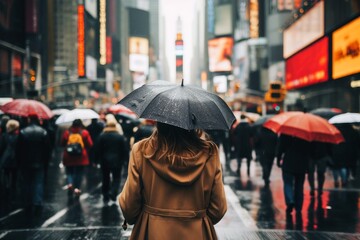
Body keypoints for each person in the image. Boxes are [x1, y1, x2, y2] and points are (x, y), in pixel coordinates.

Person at [119, 122, 227, 240]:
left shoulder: (141, 150)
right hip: (197, 232)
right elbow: (218, 209)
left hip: (151, 231)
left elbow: (129, 206)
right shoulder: (210, 153)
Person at [16, 114, 51, 214]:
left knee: (27, 182)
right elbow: (47, 149)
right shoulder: (43, 132)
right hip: (39, 162)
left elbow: (18, 150)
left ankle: (28, 202)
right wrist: (46, 161)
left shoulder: (23, 132)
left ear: (29, 120)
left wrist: (19, 162)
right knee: (38, 182)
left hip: (26, 162)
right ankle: (37, 202)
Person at [276, 134, 311, 220]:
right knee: (299, 186)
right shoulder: (305, 135)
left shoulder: (285, 133)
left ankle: (290, 200)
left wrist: (278, 159)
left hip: (288, 162)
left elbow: (280, 148)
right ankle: (298, 207)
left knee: (288, 183)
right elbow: (309, 151)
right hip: (301, 163)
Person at [95, 120, 128, 203]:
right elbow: (124, 150)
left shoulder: (102, 136)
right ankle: (113, 192)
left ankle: (105, 194)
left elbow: (98, 149)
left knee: (105, 178)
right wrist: (126, 160)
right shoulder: (120, 137)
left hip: (104, 161)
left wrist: (95, 160)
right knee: (116, 178)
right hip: (117, 161)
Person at [61, 119, 93, 197]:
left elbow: (62, 143)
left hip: (68, 156)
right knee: (79, 173)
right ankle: (77, 188)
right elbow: (90, 144)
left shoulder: (67, 133)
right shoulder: (84, 133)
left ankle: (70, 183)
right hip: (81, 157)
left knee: (69, 172)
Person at [0, 119, 20, 201]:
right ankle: (13, 189)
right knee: (14, 175)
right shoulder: (19, 136)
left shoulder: (4, 136)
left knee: (6, 174)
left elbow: (1, 148)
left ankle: (6, 187)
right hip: (15, 158)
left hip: (6, 158)